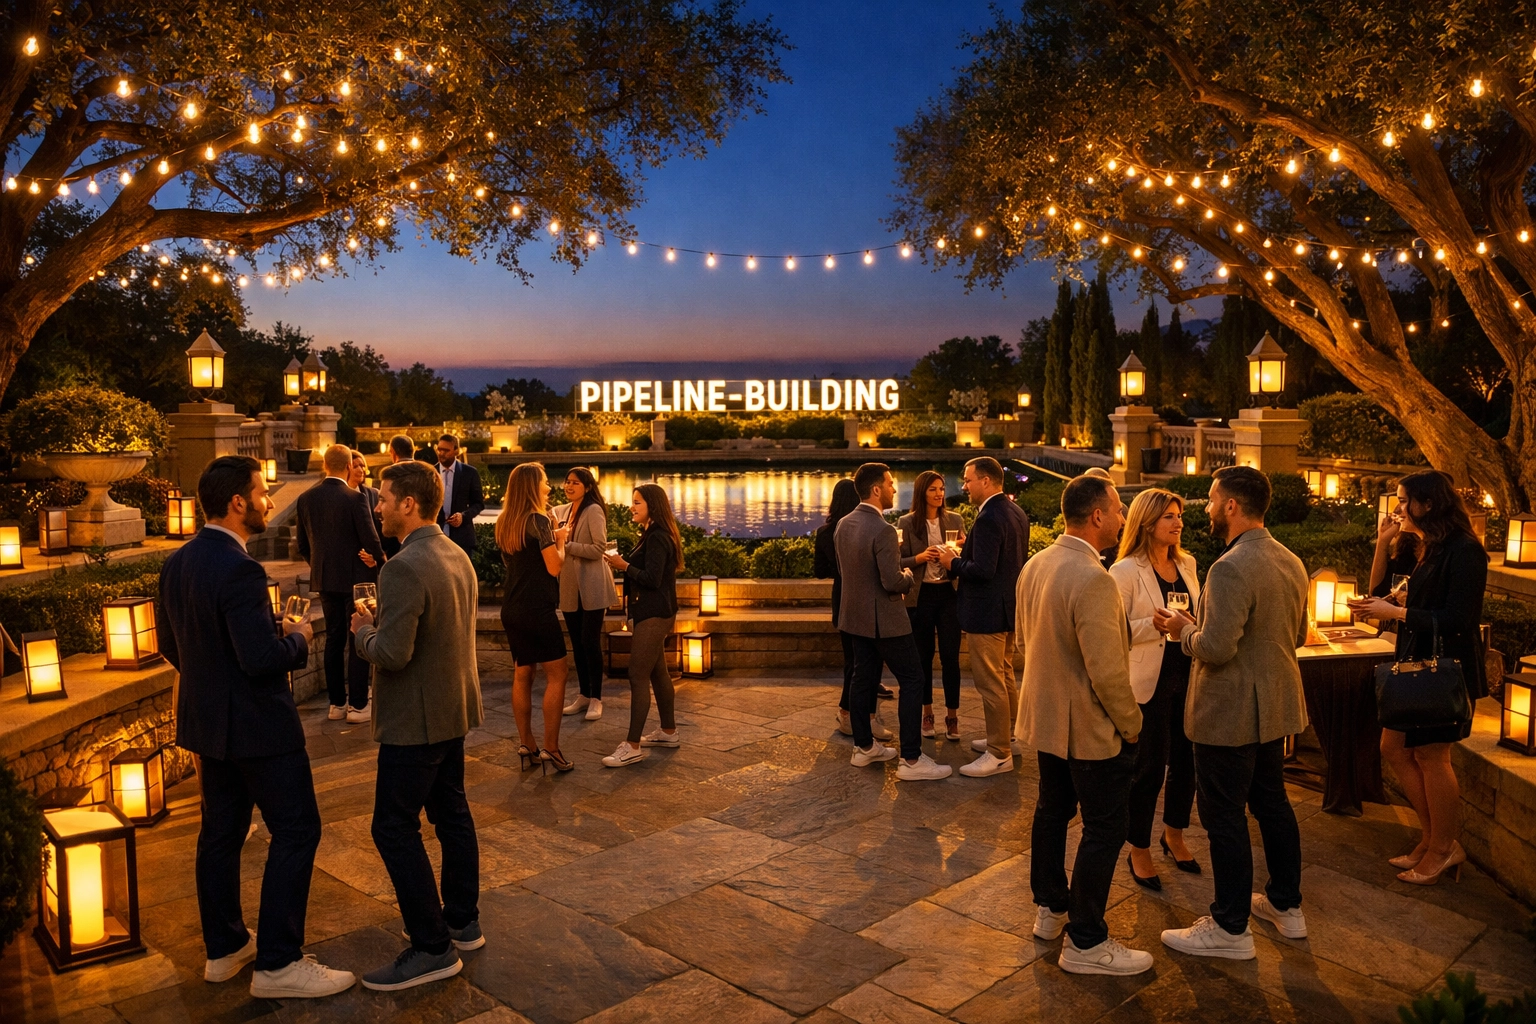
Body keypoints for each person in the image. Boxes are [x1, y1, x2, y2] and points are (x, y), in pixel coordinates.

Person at [159, 455, 354, 999]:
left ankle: (225, 949)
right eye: (263, 492)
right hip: (260, 729)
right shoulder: (240, 569)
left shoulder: (177, 563)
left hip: (208, 726)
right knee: (297, 831)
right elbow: (260, 659)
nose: (269, 500)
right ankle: (279, 963)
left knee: (220, 836)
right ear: (237, 502)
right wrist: (297, 638)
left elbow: (171, 646)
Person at [1156, 466, 1310, 959]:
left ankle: (1229, 928)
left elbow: (1216, 649)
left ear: (1231, 505)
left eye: (1210, 499)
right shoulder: (1289, 559)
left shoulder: (1228, 567)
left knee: (1223, 817)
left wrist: (1182, 630)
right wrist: (1200, 625)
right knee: (1272, 804)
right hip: (1274, 708)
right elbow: (1296, 634)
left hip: (1229, 713)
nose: (1205, 508)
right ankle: (1286, 906)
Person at [352, 460, 485, 991]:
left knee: (392, 827)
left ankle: (431, 947)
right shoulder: (456, 553)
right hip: (454, 708)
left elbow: (392, 653)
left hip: (416, 719)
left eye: (383, 499)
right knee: (452, 814)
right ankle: (462, 921)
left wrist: (363, 631)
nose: (378, 508)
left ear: (408, 504)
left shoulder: (402, 567)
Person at [1016, 473, 1149, 976]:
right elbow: (1107, 672)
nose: (1122, 517)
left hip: (1047, 719)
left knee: (1052, 812)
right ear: (1097, 516)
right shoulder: (1094, 578)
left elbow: (1027, 643)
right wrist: (1131, 725)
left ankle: (1051, 908)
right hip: (1089, 728)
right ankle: (1087, 941)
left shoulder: (1037, 563)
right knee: (1105, 827)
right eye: (1117, 509)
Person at [1349, 470, 1487, 885]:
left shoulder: (1466, 550)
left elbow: (1460, 619)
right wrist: (1387, 594)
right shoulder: (1431, 546)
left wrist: (1398, 612)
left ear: (1428, 503)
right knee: (1392, 747)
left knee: (1431, 756)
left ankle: (1443, 848)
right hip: (1415, 666)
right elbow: (1386, 588)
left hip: (1443, 673)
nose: (1399, 508)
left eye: (1404, 500)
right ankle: (1431, 838)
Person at [1108, 488, 1203, 890]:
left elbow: (1197, 614)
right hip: (1148, 682)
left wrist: (1194, 623)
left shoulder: (1187, 563)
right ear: (1147, 523)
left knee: (1187, 762)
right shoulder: (1125, 571)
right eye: (1169, 516)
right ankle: (1139, 847)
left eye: (1179, 515)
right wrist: (1154, 625)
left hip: (1189, 674)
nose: (1178, 522)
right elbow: (1114, 632)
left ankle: (1174, 834)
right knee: (1148, 768)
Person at [835, 462, 953, 781]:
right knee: (913, 679)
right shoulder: (884, 530)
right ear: (876, 490)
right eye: (889, 484)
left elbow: (848, 573)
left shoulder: (843, 524)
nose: (893, 489)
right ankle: (911, 760)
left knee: (862, 678)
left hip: (855, 618)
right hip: (885, 620)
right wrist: (908, 576)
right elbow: (891, 582)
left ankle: (864, 747)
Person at [936, 456, 1030, 777]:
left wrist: (952, 562)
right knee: (1004, 675)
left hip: (986, 612)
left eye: (968, 480)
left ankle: (999, 753)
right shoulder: (1015, 511)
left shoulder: (989, 516)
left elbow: (983, 570)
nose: (964, 486)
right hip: (1007, 609)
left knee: (991, 683)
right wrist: (968, 548)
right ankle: (1007, 738)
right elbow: (1004, 560)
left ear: (986, 481)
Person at [295, 443, 386, 724]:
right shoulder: (355, 498)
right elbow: (371, 539)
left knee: (334, 640)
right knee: (359, 635)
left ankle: (336, 704)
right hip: (357, 580)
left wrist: (320, 567)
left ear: (325, 466)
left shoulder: (305, 498)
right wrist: (382, 561)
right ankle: (357, 705)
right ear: (348, 466)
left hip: (324, 580)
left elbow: (303, 545)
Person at [496, 463, 574, 772]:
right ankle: (551, 749)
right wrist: (561, 540)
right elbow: (554, 567)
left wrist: (552, 535)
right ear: (532, 486)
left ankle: (527, 743)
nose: (549, 487)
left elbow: (518, 562)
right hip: (537, 609)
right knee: (558, 675)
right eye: (544, 482)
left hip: (512, 608)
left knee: (522, 674)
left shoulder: (505, 521)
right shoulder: (539, 520)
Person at [601, 484, 684, 767]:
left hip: (654, 614)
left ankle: (632, 745)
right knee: (658, 672)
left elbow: (652, 578)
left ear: (652, 505)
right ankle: (668, 731)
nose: (632, 507)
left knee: (637, 675)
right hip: (653, 612)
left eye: (637, 502)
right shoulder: (652, 532)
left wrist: (623, 565)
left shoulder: (658, 536)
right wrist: (622, 564)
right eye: (632, 502)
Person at [815, 479, 893, 742]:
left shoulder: (826, 532)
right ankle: (864, 718)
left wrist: (839, 571)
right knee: (869, 661)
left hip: (841, 599)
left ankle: (848, 714)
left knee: (853, 662)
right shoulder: (862, 528)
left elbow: (819, 571)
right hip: (866, 598)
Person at [897, 470, 964, 741]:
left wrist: (958, 551)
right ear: (922, 492)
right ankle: (927, 713)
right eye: (933, 489)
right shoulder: (906, 522)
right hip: (921, 596)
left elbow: (965, 557)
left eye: (942, 489)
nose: (939, 494)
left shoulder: (955, 520)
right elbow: (897, 562)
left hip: (948, 594)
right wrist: (921, 557)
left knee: (951, 658)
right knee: (923, 658)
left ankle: (952, 716)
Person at [556, 467, 616, 722]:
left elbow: (598, 548)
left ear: (588, 487)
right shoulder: (563, 511)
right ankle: (583, 694)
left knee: (590, 641)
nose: (569, 486)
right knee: (577, 643)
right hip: (570, 585)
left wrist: (566, 545)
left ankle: (596, 698)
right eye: (567, 482)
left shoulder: (593, 510)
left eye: (575, 483)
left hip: (592, 584)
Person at [434, 433, 486, 556]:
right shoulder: (430, 473)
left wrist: (463, 516)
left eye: (446, 450)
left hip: (462, 538)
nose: (441, 453)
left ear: (456, 451)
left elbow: (478, 504)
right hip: (435, 537)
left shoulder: (470, 473)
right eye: (439, 449)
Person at [381, 434, 416, 558]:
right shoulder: (427, 472)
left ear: (393, 452)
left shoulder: (391, 474)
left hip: (397, 538)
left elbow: (388, 504)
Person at [351, 450, 385, 564]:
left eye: (362, 466)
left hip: (373, 560)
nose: (361, 470)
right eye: (355, 466)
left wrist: (377, 555)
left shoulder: (374, 494)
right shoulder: (338, 496)